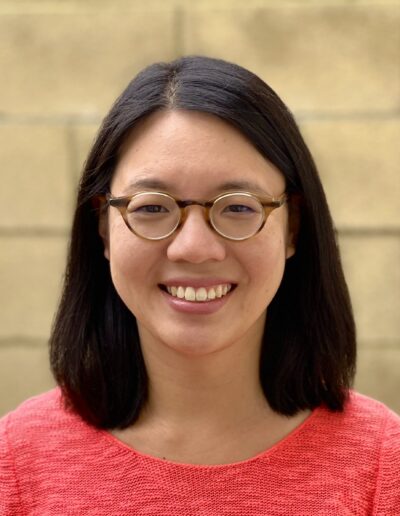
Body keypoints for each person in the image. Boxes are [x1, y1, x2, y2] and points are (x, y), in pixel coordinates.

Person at [0, 56, 399, 515]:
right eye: (153, 208)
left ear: (292, 228)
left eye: (238, 207)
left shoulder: (382, 465)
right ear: (104, 227)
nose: (193, 248)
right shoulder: (17, 463)